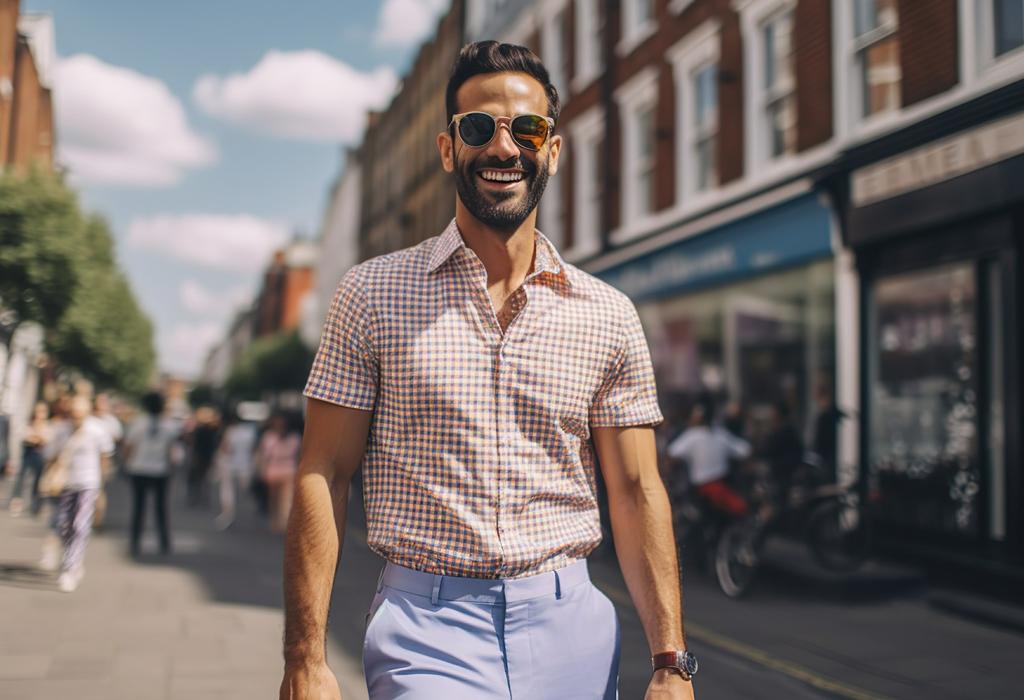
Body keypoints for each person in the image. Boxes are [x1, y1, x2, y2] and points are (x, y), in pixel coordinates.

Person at [281, 41, 695, 700]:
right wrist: (306, 656)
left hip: (573, 628)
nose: (504, 148)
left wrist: (669, 660)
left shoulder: (609, 314)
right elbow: (323, 472)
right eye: (480, 128)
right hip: (427, 624)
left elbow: (639, 490)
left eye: (526, 130)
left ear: (552, 151)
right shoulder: (371, 294)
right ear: (449, 148)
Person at [45, 395, 114, 592]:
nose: (76, 418)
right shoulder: (62, 430)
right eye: (73, 414)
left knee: (79, 525)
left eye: (80, 414)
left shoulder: (97, 430)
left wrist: (101, 483)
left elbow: (105, 456)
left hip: (88, 484)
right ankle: (70, 557)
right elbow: (52, 455)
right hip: (65, 484)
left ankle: (70, 567)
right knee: (64, 525)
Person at [667, 401, 752, 519]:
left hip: (701, 490)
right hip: (721, 486)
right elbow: (745, 451)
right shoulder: (721, 434)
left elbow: (672, 453)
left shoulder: (692, 435)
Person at [123, 391, 179, 557]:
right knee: (160, 508)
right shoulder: (169, 426)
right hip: (160, 471)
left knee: (139, 507)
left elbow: (129, 447)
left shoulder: (138, 424)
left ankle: (135, 542)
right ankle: (164, 542)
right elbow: (171, 451)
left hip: (139, 469)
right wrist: (171, 467)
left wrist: (126, 463)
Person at [214, 408, 258, 531]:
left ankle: (228, 514)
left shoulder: (230, 432)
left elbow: (225, 448)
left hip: (230, 464)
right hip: (245, 465)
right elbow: (253, 449)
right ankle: (243, 515)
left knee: (227, 491)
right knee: (243, 492)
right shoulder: (249, 432)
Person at [7, 401, 52, 516]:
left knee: (38, 481)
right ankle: (17, 502)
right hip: (28, 454)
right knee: (22, 479)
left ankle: (35, 505)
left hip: (40, 456)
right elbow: (25, 437)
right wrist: (36, 438)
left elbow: (46, 439)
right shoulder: (29, 424)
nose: (39, 414)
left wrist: (36, 438)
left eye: (42, 412)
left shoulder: (47, 425)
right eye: (38, 411)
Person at [257, 412, 300, 533]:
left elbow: (264, 456)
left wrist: (262, 469)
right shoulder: (294, 437)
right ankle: (280, 521)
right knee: (280, 498)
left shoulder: (269, 436)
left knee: (278, 498)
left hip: (277, 469)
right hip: (287, 469)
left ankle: (279, 521)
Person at [91, 392, 123, 529]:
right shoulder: (89, 419)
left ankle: (98, 519)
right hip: (89, 459)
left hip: (103, 459)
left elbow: (118, 439)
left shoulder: (111, 421)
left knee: (99, 489)